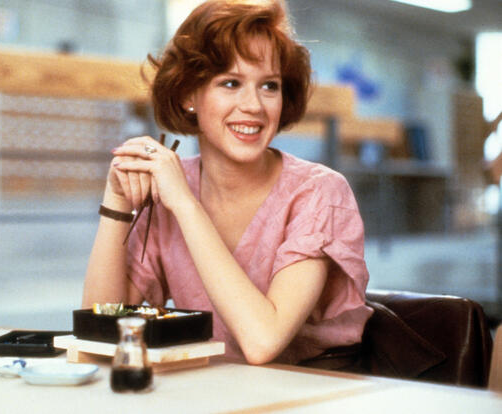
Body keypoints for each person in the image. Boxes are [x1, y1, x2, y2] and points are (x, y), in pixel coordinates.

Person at [82, 0, 373, 365]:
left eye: (269, 86)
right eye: (231, 83)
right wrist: (116, 201)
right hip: (217, 385)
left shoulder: (319, 192)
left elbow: (263, 343)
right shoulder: (171, 188)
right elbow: (101, 332)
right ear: (188, 94)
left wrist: (186, 205)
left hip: (315, 385)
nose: (254, 105)